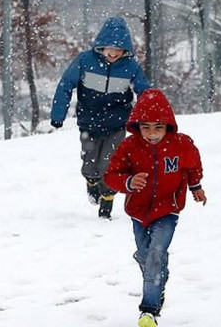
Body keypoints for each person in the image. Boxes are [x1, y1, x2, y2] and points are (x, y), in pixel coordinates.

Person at [103, 88, 207, 327]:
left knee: (156, 254)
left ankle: (149, 309)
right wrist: (128, 182)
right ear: (137, 126)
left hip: (167, 209)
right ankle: (158, 277)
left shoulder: (181, 144)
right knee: (145, 255)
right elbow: (111, 175)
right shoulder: (129, 146)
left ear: (168, 126)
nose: (152, 134)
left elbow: (193, 165)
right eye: (146, 127)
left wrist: (196, 186)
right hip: (138, 211)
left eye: (158, 127)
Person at [50, 17, 150, 220]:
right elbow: (66, 85)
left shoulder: (130, 67)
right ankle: (91, 182)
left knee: (110, 165)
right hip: (89, 122)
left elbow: (145, 92)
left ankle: (107, 202)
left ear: (126, 50)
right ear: (101, 46)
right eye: (110, 49)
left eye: (119, 50)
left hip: (117, 125)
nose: (114, 53)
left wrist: (149, 118)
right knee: (90, 164)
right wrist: (58, 115)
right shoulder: (85, 61)